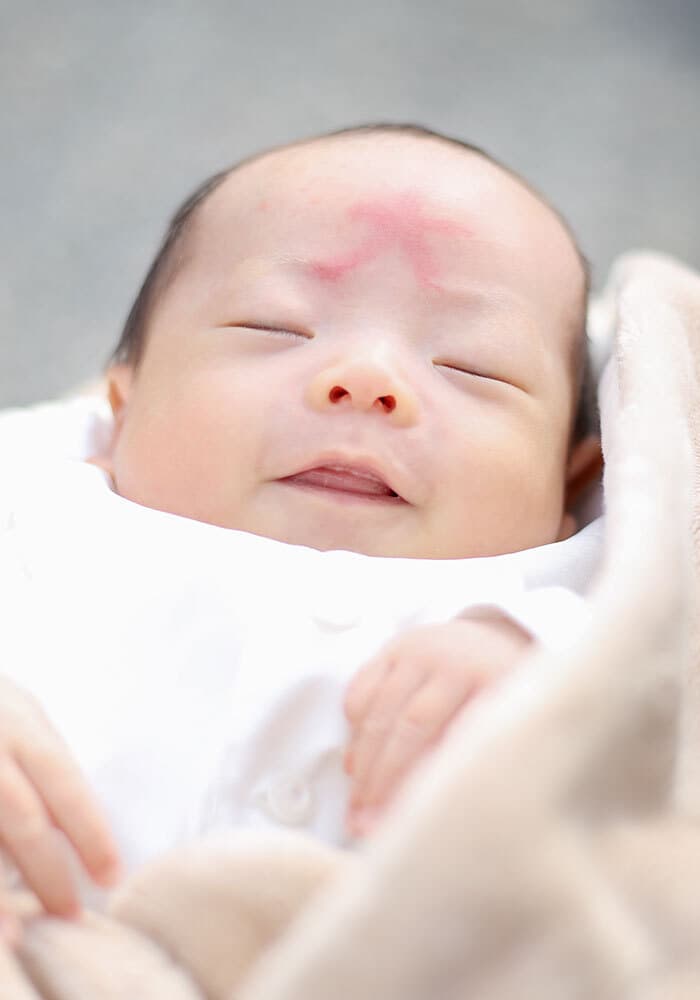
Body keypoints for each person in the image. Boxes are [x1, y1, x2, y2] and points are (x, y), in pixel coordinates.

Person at [0, 124, 603, 925]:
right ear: (122, 408)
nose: (365, 380)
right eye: (275, 327)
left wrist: (552, 670)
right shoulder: (42, 501)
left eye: (471, 365)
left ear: (572, 482)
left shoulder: (585, 602)